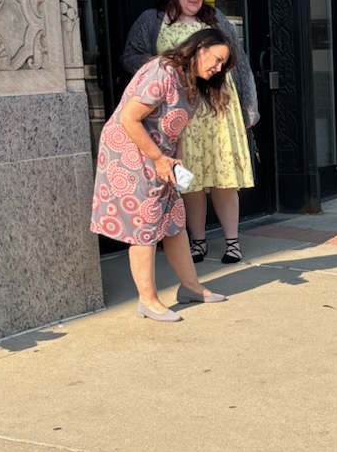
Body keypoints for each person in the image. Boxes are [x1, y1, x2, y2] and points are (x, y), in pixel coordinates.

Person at [91, 27, 234, 321]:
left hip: (160, 158)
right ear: (201, 48)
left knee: (174, 222)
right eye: (218, 60)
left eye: (223, 64)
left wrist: (175, 161)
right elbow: (129, 118)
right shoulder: (163, 71)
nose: (219, 69)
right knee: (144, 225)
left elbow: (177, 128)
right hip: (131, 154)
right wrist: (158, 158)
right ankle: (148, 301)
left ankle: (191, 287)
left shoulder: (191, 80)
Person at [121, 0, 259, 265]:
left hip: (220, 111)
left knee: (224, 176)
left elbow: (240, 62)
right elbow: (129, 57)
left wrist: (249, 109)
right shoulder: (152, 20)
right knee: (190, 180)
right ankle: (197, 242)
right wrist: (162, 63)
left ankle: (232, 242)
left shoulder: (216, 18)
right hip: (182, 113)